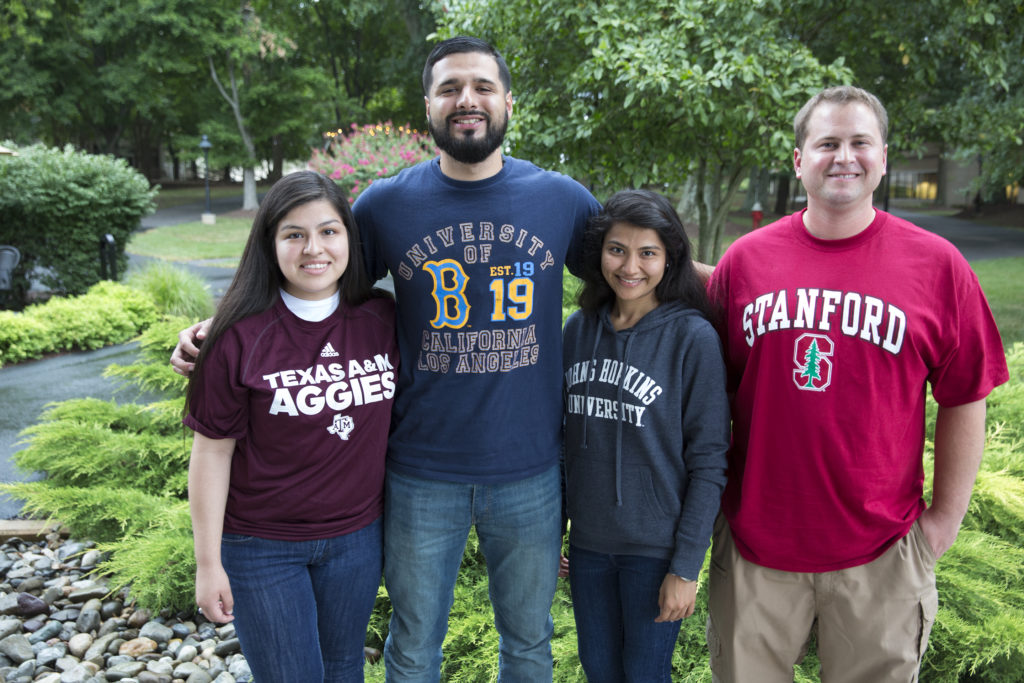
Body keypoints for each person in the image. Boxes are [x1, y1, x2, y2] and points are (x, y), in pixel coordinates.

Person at [174, 37, 602, 681]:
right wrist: (221, 327)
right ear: (427, 105)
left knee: (529, 644)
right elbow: (313, 285)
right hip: (418, 472)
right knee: (412, 645)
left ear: (509, 102)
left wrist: (740, 284)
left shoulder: (561, 200)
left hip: (530, 473)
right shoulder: (383, 205)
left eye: (483, 87)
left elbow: (636, 274)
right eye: (450, 88)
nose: (468, 100)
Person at [706, 86, 1009, 682]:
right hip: (754, 551)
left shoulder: (938, 265)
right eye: (827, 144)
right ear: (799, 161)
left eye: (858, 142)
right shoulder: (745, 263)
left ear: (884, 157)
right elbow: (709, 397)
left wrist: (943, 522)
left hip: (883, 555)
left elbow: (966, 392)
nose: (844, 156)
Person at [185, 170, 397, 682]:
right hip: (262, 546)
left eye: (328, 231)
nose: (313, 249)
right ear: (270, 243)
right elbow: (212, 453)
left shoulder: (383, 318)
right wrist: (207, 563)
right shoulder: (238, 337)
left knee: (344, 668)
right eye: (293, 234)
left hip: (357, 539)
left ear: (349, 237)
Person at [562, 189, 729, 682]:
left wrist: (685, 568)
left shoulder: (692, 338)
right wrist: (556, 533)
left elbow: (709, 460)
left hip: (655, 554)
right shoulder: (578, 330)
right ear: (599, 255)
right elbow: (558, 442)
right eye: (617, 249)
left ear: (670, 257)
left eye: (647, 253)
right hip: (589, 549)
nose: (630, 266)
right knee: (599, 671)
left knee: (644, 675)